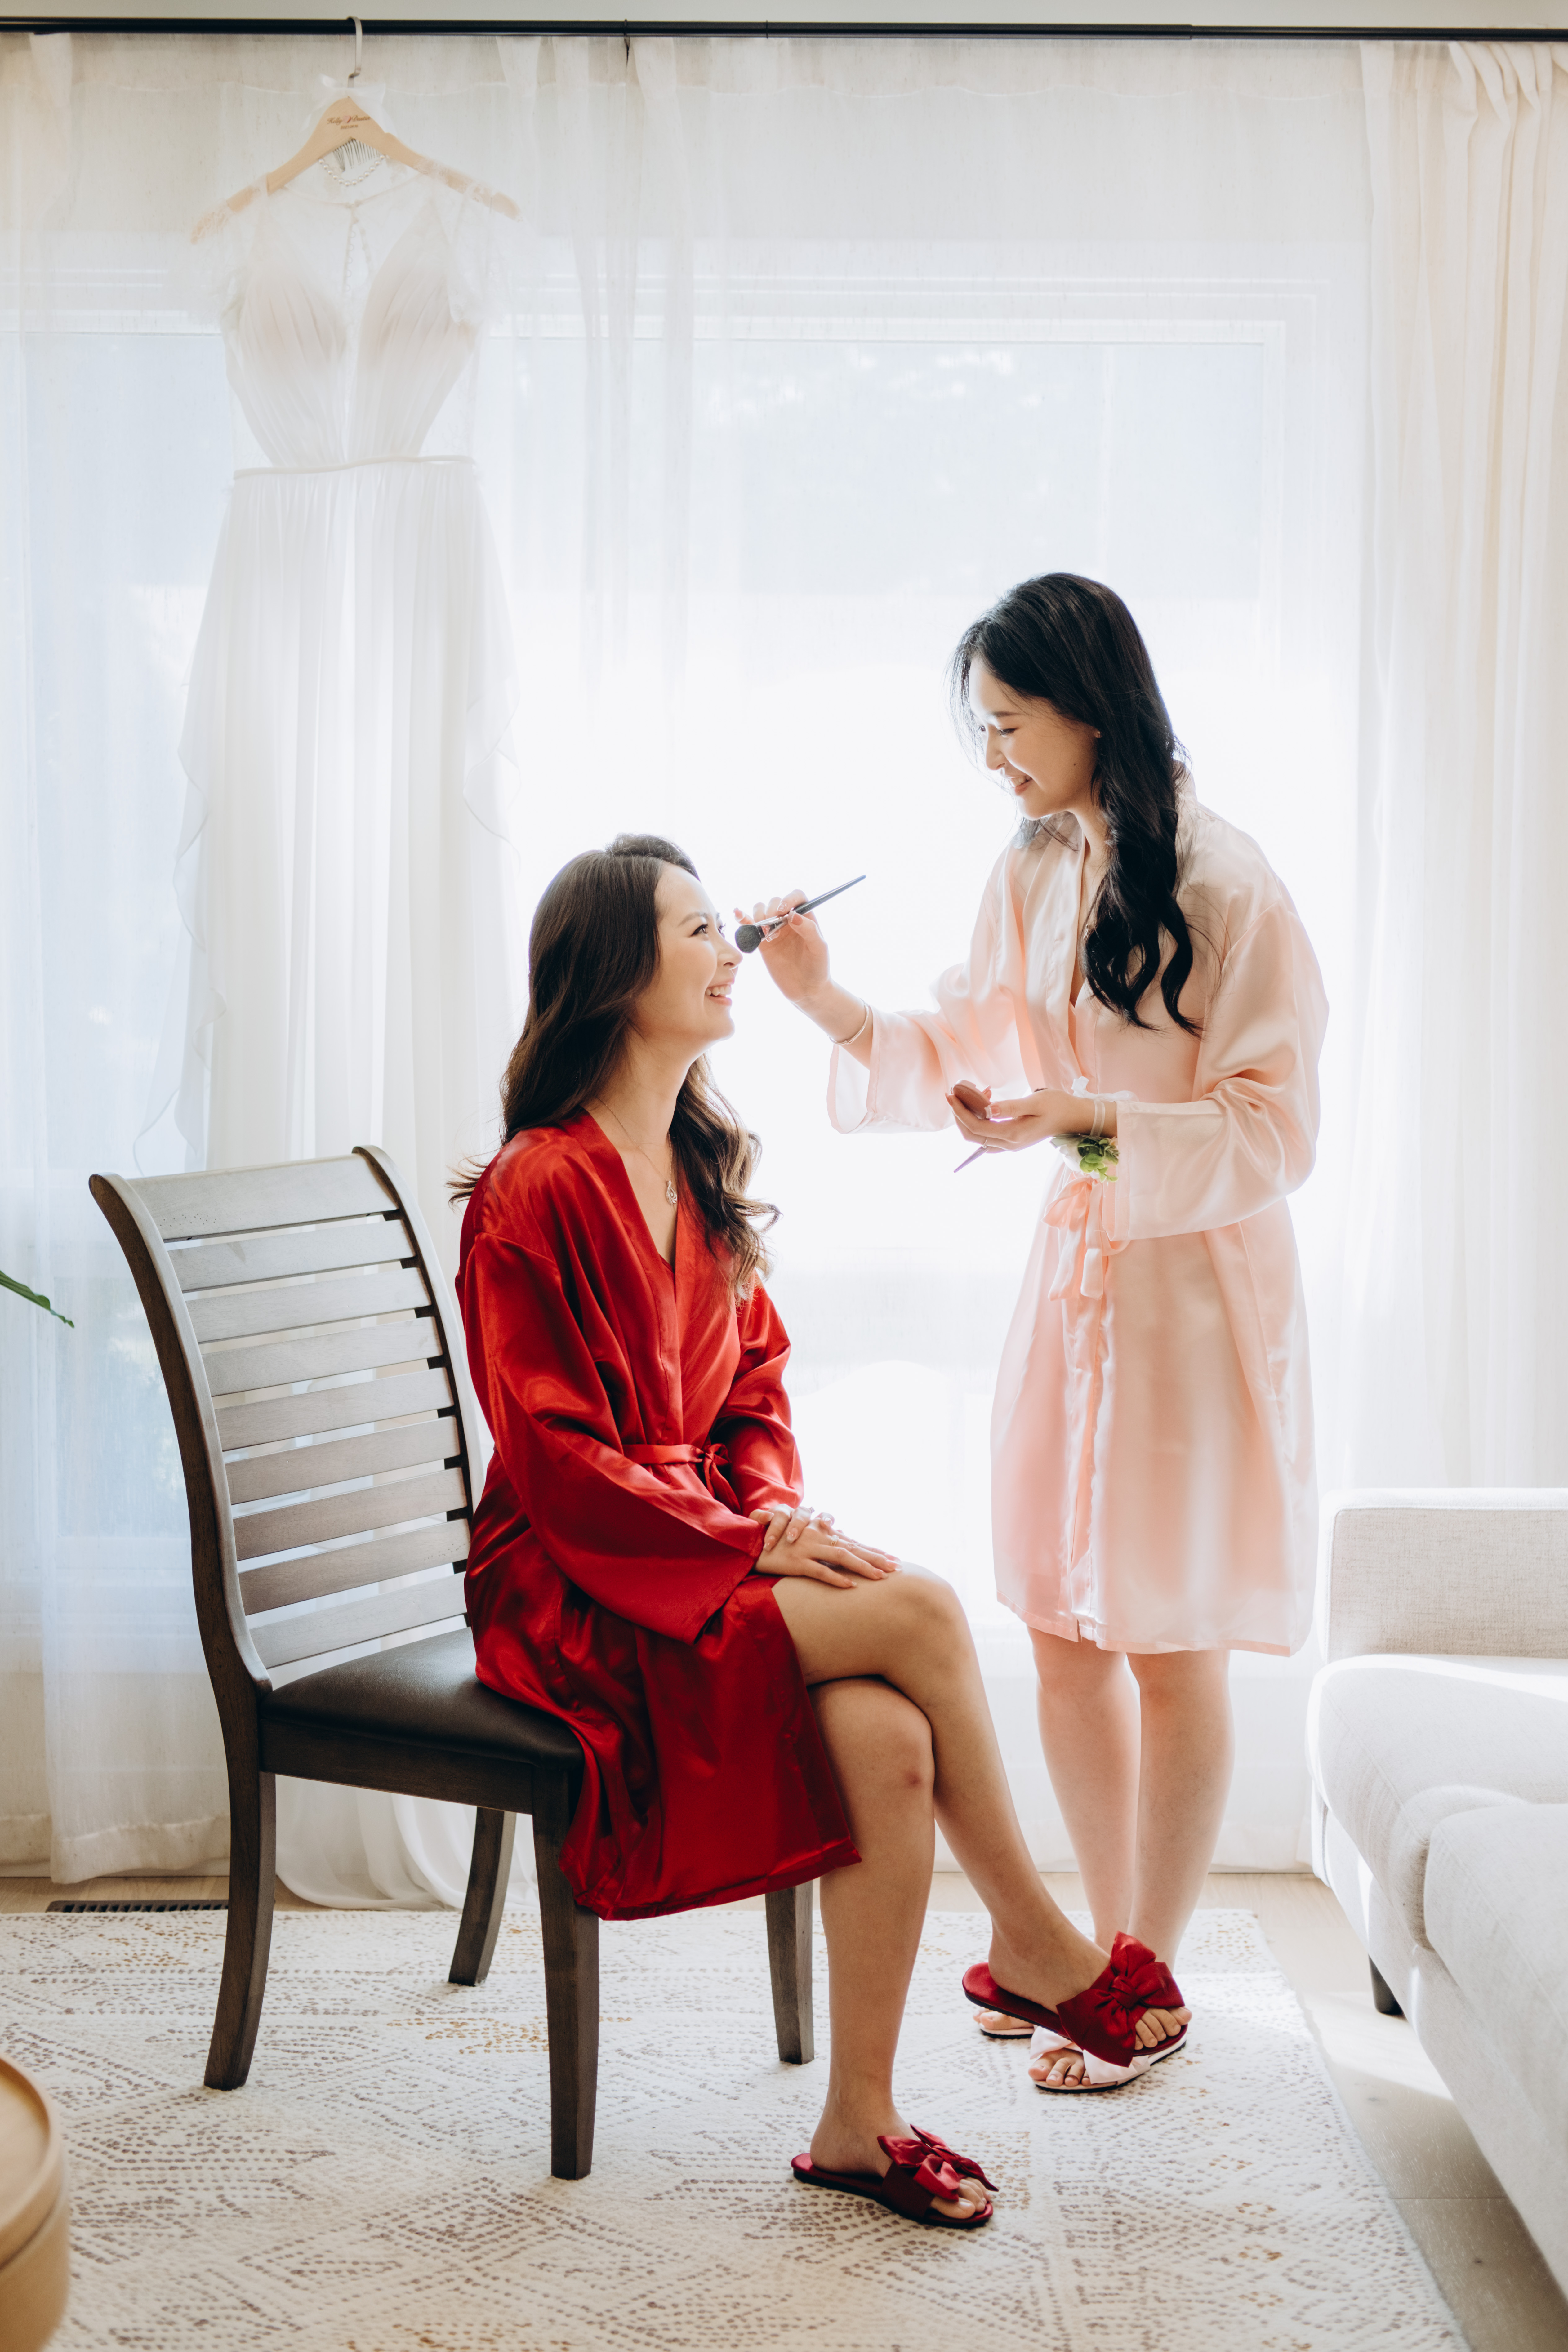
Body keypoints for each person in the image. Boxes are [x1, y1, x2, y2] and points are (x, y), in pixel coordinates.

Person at [453, 830, 1189, 2223]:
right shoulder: (535, 1188)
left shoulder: (694, 1161)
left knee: (887, 1738)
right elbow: (553, 1458)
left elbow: (754, 1387)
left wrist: (765, 1511)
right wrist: (743, 1542)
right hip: (573, 1586)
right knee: (921, 1609)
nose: (728, 952)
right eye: (696, 933)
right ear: (614, 977)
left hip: (691, 1543)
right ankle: (1033, 1940)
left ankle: (859, 2122)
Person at [748, 575, 1327, 2091]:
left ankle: (1150, 1976)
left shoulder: (1230, 882)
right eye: (984, 729)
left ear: (1090, 709)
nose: (994, 756)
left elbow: (1276, 1131)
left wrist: (1089, 1118)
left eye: (1011, 725)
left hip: (1194, 1292)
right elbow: (955, 1038)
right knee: (1065, 1633)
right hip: (1077, 1274)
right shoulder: (1030, 866)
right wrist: (821, 998)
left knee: (1169, 1638)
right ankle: (1081, 1963)